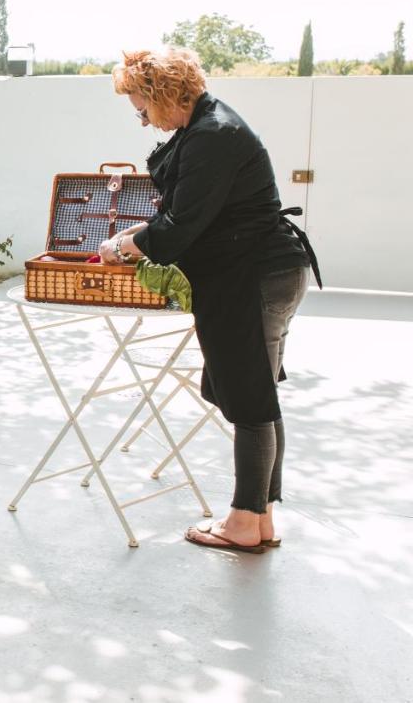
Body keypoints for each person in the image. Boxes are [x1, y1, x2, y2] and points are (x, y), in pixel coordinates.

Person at [99, 48, 320, 553]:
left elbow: (179, 229)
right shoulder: (206, 128)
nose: (142, 120)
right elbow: (189, 216)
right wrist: (134, 235)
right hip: (263, 271)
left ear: (162, 95)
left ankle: (244, 520)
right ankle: (259, 518)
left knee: (248, 398)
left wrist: (124, 244)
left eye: (141, 108)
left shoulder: (212, 135)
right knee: (256, 393)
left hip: (252, 276)